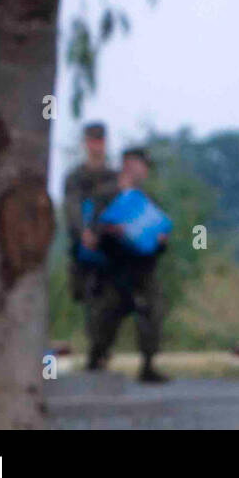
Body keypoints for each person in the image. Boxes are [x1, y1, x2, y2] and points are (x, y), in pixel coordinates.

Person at [84, 146, 169, 383]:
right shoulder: (105, 194)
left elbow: (160, 233)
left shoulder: (148, 200)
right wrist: (110, 231)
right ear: (127, 165)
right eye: (137, 165)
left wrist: (161, 241)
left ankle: (148, 364)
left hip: (143, 267)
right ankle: (96, 357)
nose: (141, 171)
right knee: (107, 317)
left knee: (151, 313)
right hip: (113, 267)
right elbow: (92, 232)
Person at [62, 121, 117, 313]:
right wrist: (83, 233)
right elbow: (72, 206)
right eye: (92, 141)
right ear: (86, 143)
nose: (96, 146)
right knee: (88, 303)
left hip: (110, 251)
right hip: (83, 252)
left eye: (100, 141)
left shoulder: (114, 177)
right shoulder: (75, 177)